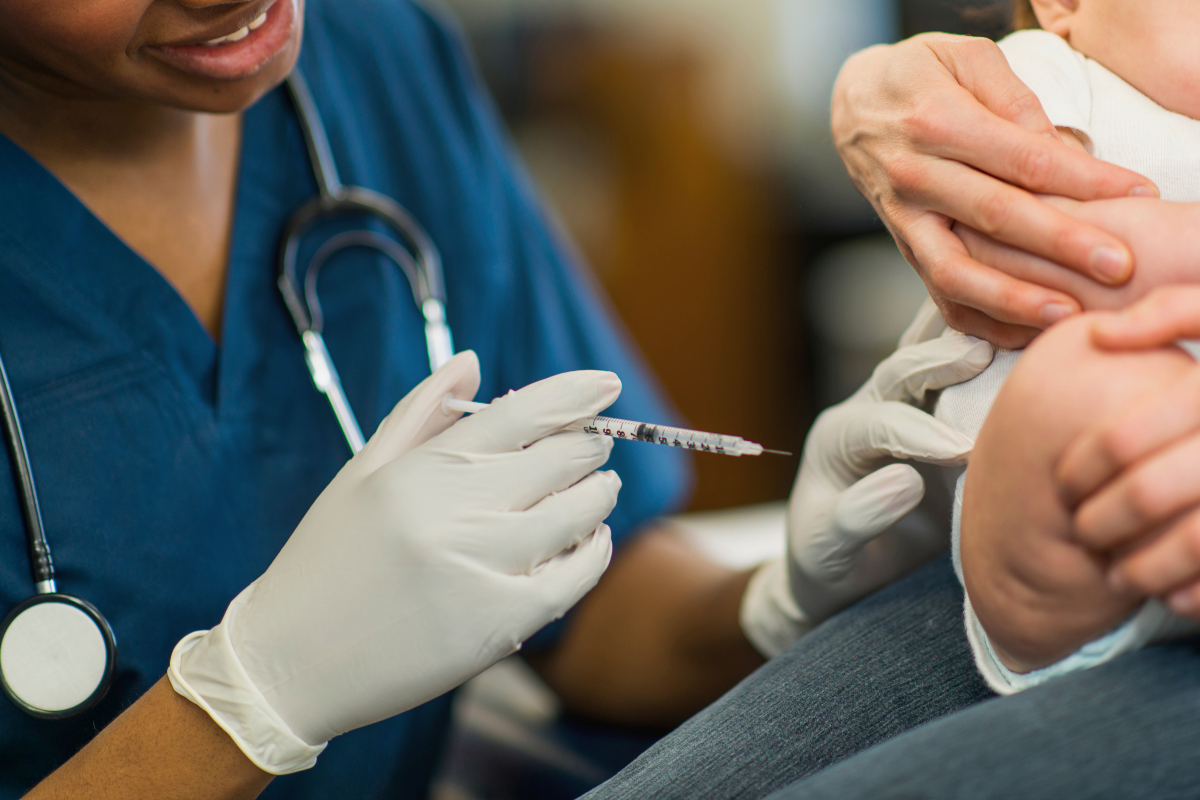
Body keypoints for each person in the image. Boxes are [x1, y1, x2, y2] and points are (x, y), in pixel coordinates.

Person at [582, 1, 1200, 797]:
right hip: (1069, 525)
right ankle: (1049, 615)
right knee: (1083, 389)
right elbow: (1053, 241)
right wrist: (891, 83)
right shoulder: (1058, 91)